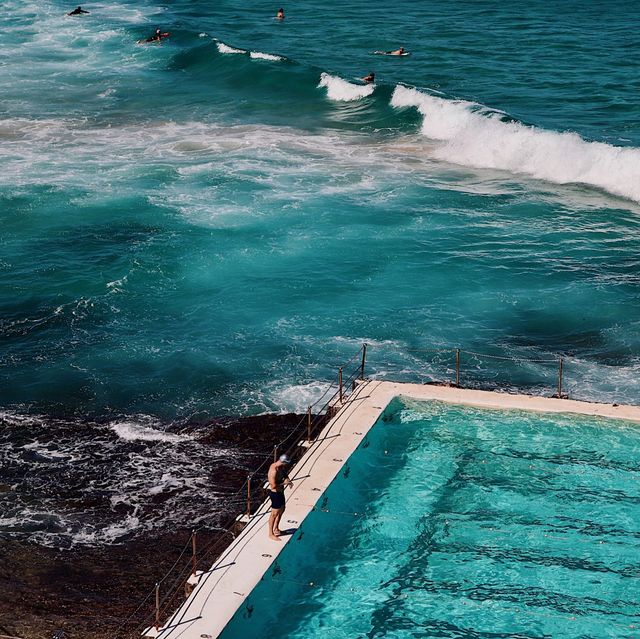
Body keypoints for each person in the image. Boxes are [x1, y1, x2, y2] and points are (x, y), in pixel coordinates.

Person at [267, 454, 293, 541]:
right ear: (283, 462)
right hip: (275, 494)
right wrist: (284, 483)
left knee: (282, 509)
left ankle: (276, 529)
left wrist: (287, 480)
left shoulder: (280, 467)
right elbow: (273, 486)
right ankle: (271, 533)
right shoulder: (273, 470)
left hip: (281, 492)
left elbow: (284, 475)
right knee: (274, 514)